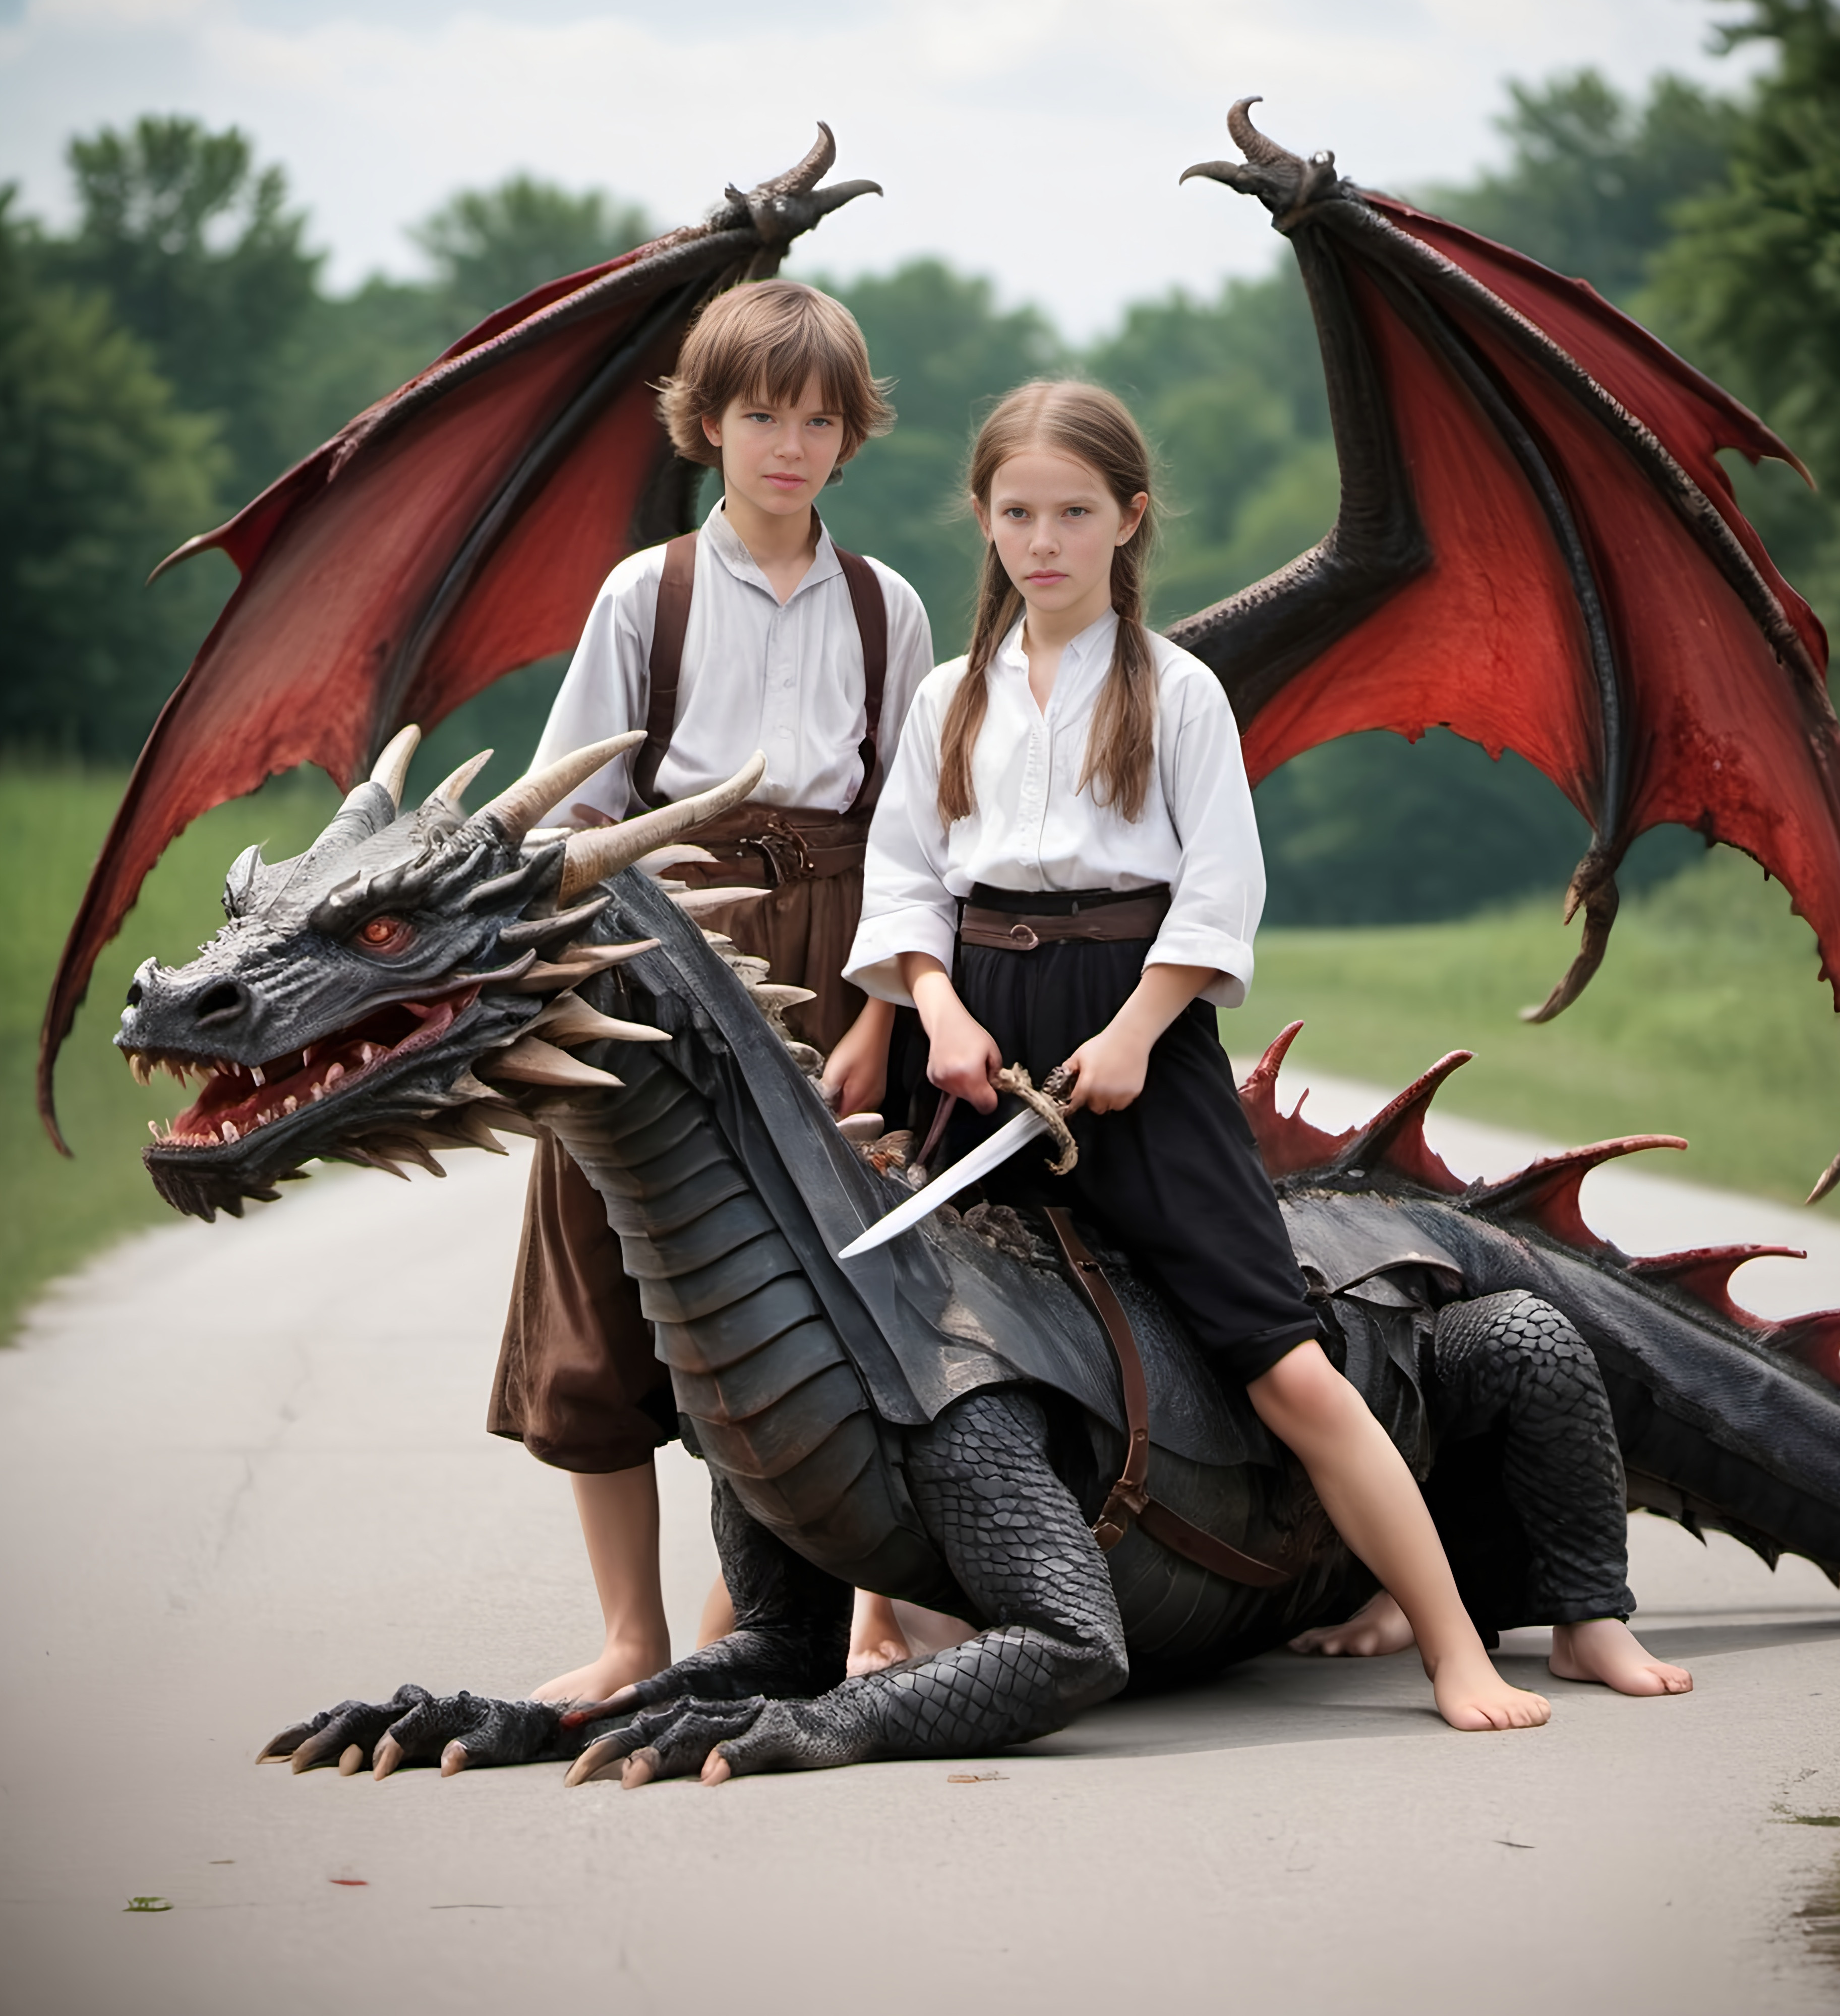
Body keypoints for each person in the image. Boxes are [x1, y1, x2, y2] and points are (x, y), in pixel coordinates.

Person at [845, 379, 1682, 1728]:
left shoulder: (1176, 694)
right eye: (1017, 512)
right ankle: (869, 1620)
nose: (1043, 538)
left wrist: (1130, 1036)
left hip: (1142, 1037)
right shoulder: (951, 697)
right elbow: (903, 889)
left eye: (1073, 511)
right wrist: (937, 1014)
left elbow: (1219, 895)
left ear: (1129, 518)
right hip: (976, 1044)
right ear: (985, 521)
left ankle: (1458, 1645)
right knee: (903, 1330)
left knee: (1284, 1363)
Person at [489, 279, 933, 1704]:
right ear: (708, 426)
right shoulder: (648, 594)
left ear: (851, 434)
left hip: (837, 962)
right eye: (760, 415)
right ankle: (632, 1636)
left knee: (851, 1288)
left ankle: (804, 1616)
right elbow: (568, 816)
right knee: (607, 1283)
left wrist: (880, 1012)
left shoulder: (892, 608)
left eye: (817, 418)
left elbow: (918, 833)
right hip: (663, 958)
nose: (788, 445)